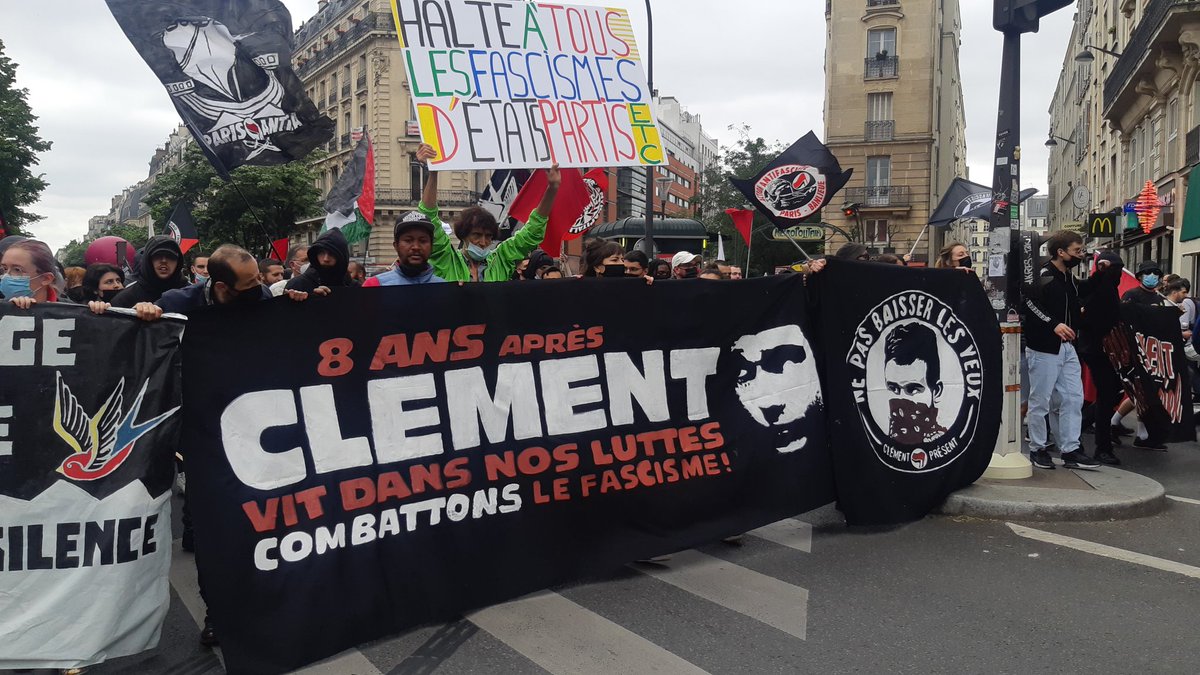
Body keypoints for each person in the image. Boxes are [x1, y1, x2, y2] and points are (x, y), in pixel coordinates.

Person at [416, 143, 561, 282]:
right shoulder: (447, 260)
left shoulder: (501, 260)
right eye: (477, 235)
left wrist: (552, 189)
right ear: (463, 235)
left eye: (488, 236)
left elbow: (532, 233)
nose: (483, 242)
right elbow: (429, 218)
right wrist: (433, 172)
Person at [1020, 230, 1101, 470]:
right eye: (1077, 250)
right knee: (1040, 400)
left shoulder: (1069, 278)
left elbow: (1082, 294)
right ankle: (1037, 448)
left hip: (1067, 346)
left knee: (1073, 398)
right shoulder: (1044, 275)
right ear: (1060, 252)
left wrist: (1103, 274)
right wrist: (1053, 324)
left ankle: (1070, 448)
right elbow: (1029, 302)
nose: (1081, 254)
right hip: (1044, 347)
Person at [1076, 251, 1125, 465]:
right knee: (1107, 395)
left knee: (1111, 393)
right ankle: (1102, 447)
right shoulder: (1100, 290)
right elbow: (1095, 319)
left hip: (1103, 349)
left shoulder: (1107, 289)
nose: (1118, 274)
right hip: (1098, 349)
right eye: (1115, 269)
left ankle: (1081, 426)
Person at [883, 323, 947, 444]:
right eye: (893, 388)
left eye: (913, 390)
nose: (901, 399)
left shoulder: (947, 443)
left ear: (936, 392)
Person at [362, 213, 446, 286]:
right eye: (408, 240)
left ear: (432, 246)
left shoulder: (445, 289)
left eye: (423, 241)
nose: (416, 247)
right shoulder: (375, 285)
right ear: (396, 246)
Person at [110, 236, 189, 308]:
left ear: (178, 261)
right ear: (148, 260)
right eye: (158, 256)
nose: (164, 261)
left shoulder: (191, 294)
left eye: (170, 256)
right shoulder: (126, 298)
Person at [285, 229, 353, 293]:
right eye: (321, 252)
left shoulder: (353, 287)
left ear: (341, 257)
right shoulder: (296, 286)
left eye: (332, 253)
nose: (326, 259)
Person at [1, 239, 64, 307]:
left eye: (17, 270)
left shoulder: (67, 310)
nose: (6, 276)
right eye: (5, 269)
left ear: (46, 278)